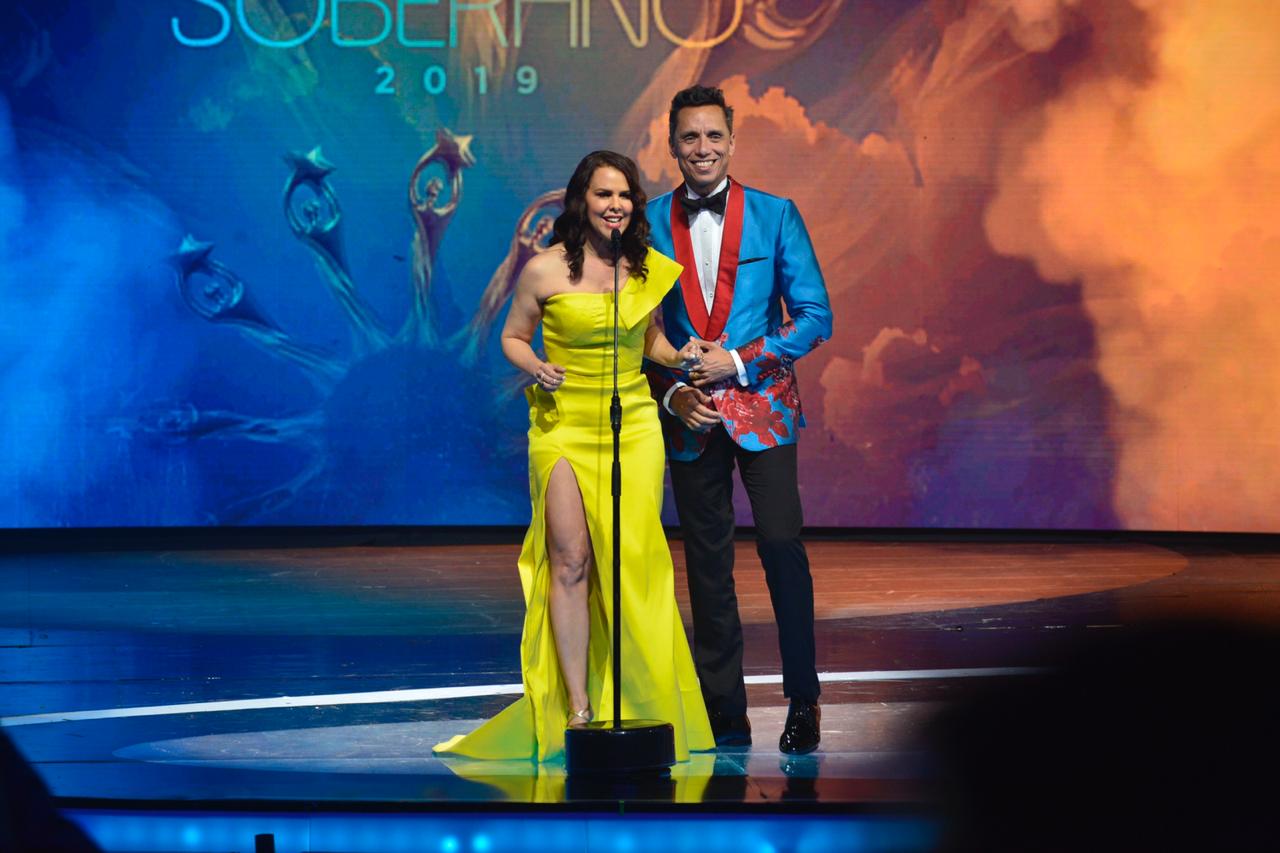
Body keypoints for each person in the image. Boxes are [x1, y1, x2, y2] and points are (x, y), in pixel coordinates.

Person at [434, 151, 714, 762]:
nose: (616, 205)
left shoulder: (647, 270)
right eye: (604, 194)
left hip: (632, 424)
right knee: (569, 559)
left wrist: (681, 356)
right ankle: (579, 707)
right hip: (562, 425)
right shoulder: (544, 269)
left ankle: (640, 696)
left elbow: (651, 339)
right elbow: (512, 336)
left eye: (625, 195)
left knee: (631, 562)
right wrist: (536, 365)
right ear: (581, 201)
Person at [645, 85, 833, 755]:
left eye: (713, 136)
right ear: (672, 144)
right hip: (690, 415)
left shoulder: (777, 215)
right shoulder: (646, 220)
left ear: (732, 140)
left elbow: (815, 316)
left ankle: (804, 699)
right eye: (690, 137)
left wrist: (739, 360)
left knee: (781, 545)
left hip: (764, 410)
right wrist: (672, 393)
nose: (702, 148)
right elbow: (634, 329)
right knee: (707, 565)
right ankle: (723, 712)